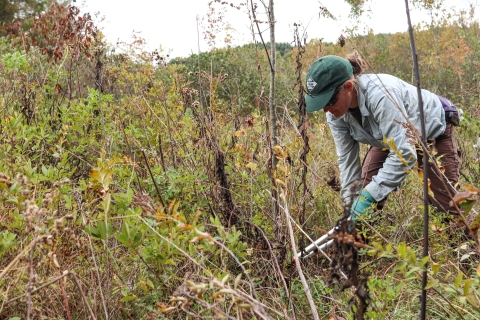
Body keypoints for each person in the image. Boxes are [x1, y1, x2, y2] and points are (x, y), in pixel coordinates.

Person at [305, 53, 461, 224]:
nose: (326, 110)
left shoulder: (381, 96)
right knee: (364, 190)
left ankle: (462, 241)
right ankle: (361, 246)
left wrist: (369, 196)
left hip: (433, 130)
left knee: (448, 208)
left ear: (348, 87)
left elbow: (405, 154)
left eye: (329, 101)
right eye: (321, 104)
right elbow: (347, 160)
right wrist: (351, 206)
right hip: (391, 137)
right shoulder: (335, 114)